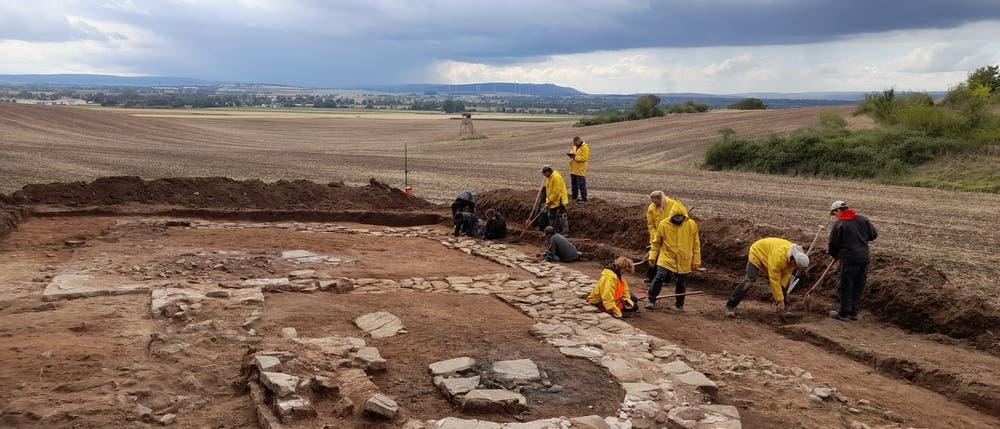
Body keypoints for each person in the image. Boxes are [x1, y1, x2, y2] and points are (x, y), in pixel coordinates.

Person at [725, 237, 809, 318]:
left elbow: (785, 276)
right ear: (793, 260)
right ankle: (730, 305)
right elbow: (774, 280)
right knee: (750, 280)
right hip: (757, 252)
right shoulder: (778, 259)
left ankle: (781, 308)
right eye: (796, 266)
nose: (796, 268)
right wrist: (780, 300)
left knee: (785, 284)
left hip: (769, 254)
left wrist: (781, 299)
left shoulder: (795, 255)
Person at [828, 200, 878, 321]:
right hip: (864, 257)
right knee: (858, 284)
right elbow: (873, 235)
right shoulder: (863, 220)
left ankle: (845, 313)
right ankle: (853, 313)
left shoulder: (839, 224)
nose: (835, 216)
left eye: (834, 213)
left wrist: (835, 255)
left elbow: (832, 244)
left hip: (848, 259)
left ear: (838, 210)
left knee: (845, 285)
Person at [646, 203, 701, 311]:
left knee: (681, 282)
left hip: (684, 259)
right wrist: (652, 257)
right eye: (676, 217)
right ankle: (651, 299)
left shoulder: (691, 225)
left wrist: (696, 262)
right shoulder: (664, 224)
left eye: (680, 217)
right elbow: (656, 242)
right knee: (660, 276)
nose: (678, 220)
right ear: (672, 216)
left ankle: (679, 304)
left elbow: (696, 244)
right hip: (666, 256)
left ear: (684, 216)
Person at [644, 191, 680, 283]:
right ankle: (650, 276)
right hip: (657, 235)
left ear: (660, 199)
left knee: (666, 257)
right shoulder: (651, 208)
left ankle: (665, 279)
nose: (653, 204)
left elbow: (678, 219)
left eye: (655, 201)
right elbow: (651, 224)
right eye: (652, 202)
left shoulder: (672, 204)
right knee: (654, 254)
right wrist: (655, 236)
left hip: (670, 235)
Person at [541, 165, 569, 234]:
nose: (544, 175)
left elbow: (556, 192)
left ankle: (565, 232)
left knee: (562, 216)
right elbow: (548, 192)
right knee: (551, 216)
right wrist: (548, 201)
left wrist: (549, 202)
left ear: (548, 172)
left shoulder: (556, 177)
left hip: (560, 200)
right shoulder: (549, 178)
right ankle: (554, 231)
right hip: (552, 201)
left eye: (544, 173)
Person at [566, 136, 590, 202]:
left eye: (576, 143)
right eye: (574, 143)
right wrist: (571, 155)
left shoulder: (585, 148)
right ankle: (574, 197)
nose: (575, 145)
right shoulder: (574, 147)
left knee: (581, 185)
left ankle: (584, 199)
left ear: (579, 141)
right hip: (573, 169)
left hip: (580, 170)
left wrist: (575, 157)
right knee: (574, 186)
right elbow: (572, 152)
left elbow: (584, 158)